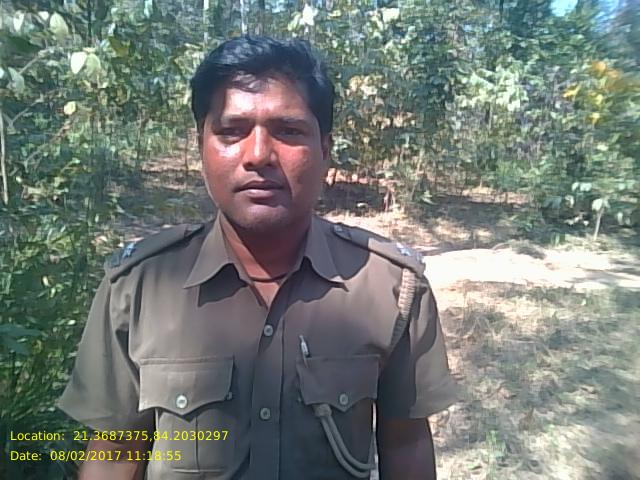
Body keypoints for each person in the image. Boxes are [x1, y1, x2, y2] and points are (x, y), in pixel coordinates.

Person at [58, 35, 460, 480]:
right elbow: (115, 452)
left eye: (288, 131)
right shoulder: (137, 289)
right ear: (201, 145)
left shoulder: (391, 288)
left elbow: (406, 443)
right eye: (232, 131)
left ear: (325, 150)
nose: (258, 155)